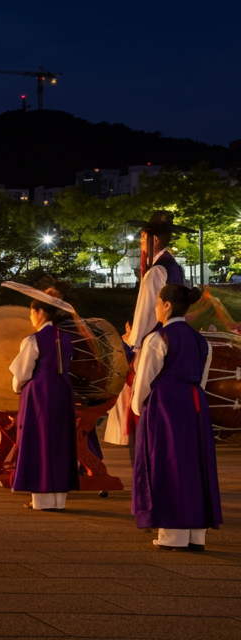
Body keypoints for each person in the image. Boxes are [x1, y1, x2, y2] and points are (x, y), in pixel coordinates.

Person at [132, 284, 223, 551]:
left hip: (165, 405)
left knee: (167, 463)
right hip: (195, 404)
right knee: (195, 464)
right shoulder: (200, 339)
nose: (155, 307)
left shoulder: (159, 338)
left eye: (158, 302)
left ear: (168, 305)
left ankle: (172, 534)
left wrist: (140, 409)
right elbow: (202, 380)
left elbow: (144, 382)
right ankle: (197, 534)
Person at [108, 210, 192, 450]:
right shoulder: (176, 267)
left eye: (143, 239)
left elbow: (146, 313)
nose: (141, 244)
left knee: (140, 400)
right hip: (177, 336)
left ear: (154, 240)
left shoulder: (156, 271)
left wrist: (132, 344)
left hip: (155, 341)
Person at [8, 290, 79, 511]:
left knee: (39, 439)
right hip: (63, 392)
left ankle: (42, 500)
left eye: (32, 312)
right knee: (59, 440)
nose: (31, 316)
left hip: (39, 395)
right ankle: (59, 499)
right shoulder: (66, 338)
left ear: (39, 312)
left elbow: (22, 373)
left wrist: (17, 388)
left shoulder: (34, 340)